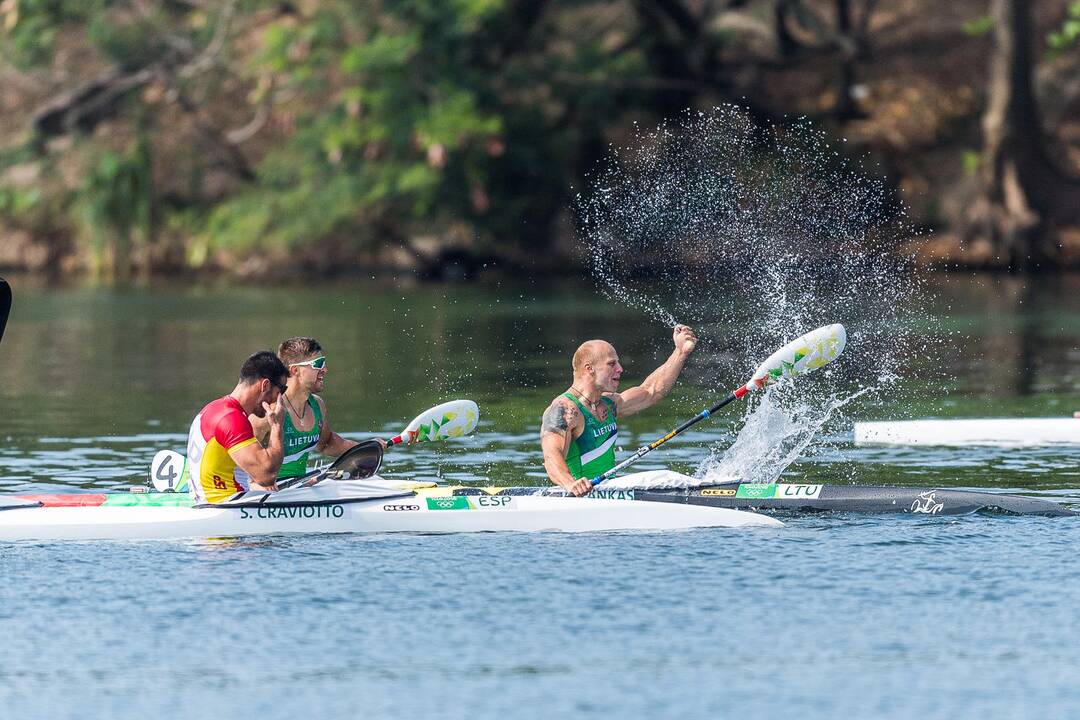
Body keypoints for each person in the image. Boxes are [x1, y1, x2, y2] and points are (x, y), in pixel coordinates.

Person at [540, 325, 698, 496]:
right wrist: (571, 485)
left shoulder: (608, 403)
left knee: (669, 478)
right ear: (589, 368)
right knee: (666, 477)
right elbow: (551, 456)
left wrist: (680, 352)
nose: (620, 369)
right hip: (581, 495)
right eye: (611, 364)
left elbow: (651, 391)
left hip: (609, 489)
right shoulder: (565, 409)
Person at [249, 337, 371, 483]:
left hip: (301, 486)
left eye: (324, 363)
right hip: (267, 492)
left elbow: (327, 444)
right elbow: (241, 463)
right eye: (318, 364)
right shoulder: (266, 412)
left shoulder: (317, 405)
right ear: (295, 370)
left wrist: (368, 449)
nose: (325, 369)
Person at [186, 350, 288, 504]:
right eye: (281, 390)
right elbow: (266, 476)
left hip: (213, 501)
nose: (279, 400)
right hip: (225, 508)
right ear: (265, 385)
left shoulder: (215, 408)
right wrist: (277, 426)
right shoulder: (231, 419)